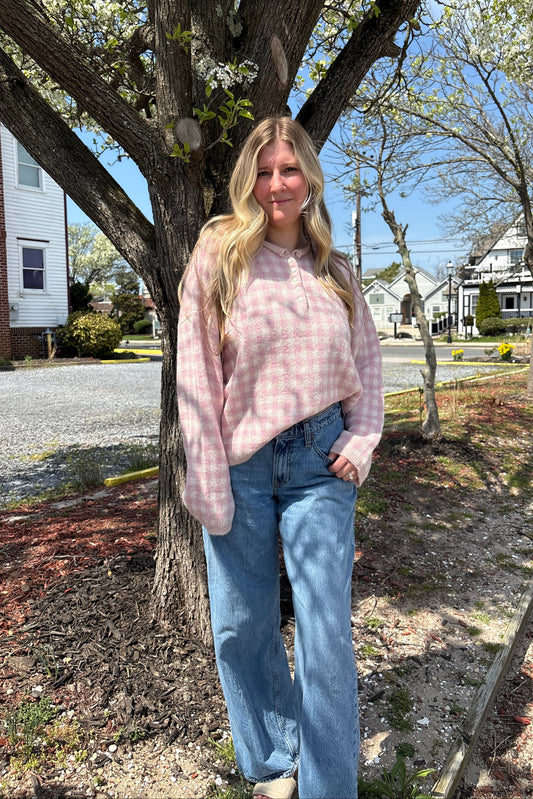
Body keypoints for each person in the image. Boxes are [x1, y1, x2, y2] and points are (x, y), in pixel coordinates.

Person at [177, 116, 384, 799]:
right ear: (248, 182)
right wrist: (206, 479)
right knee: (241, 623)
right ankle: (273, 759)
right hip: (239, 461)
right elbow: (197, 369)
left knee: (324, 631)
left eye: (288, 170)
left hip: (318, 462)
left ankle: (330, 787)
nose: (276, 184)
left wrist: (360, 439)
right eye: (263, 172)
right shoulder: (219, 252)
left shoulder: (337, 270)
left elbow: (367, 367)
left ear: (308, 178)